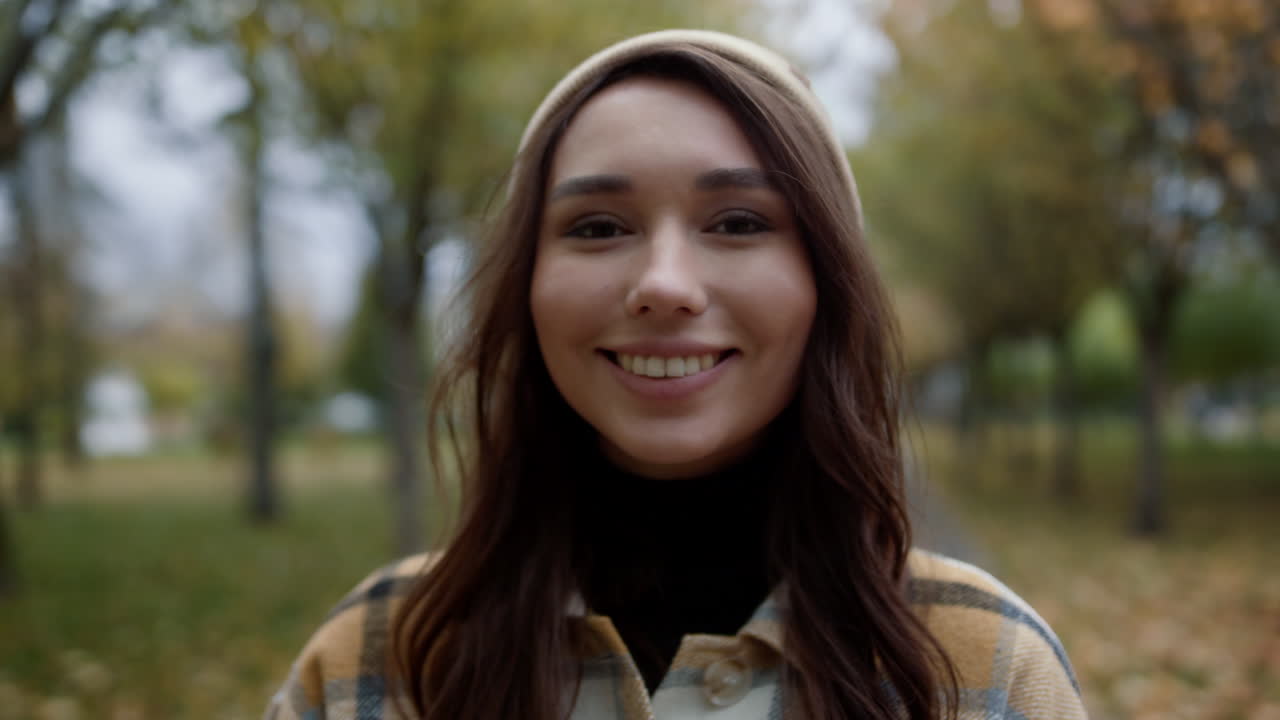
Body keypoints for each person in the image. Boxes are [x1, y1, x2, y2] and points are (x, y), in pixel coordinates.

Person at [264, 30, 1087, 720]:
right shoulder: (372, 660)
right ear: (528, 287)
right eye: (596, 226)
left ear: (824, 287)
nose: (663, 284)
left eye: (737, 222)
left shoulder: (984, 666)